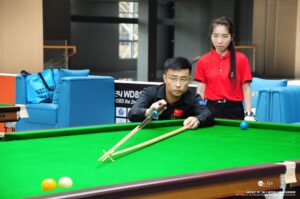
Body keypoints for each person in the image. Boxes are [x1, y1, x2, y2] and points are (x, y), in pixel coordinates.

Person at [194, 16, 256, 121]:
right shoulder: (203, 60)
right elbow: (200, 91)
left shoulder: (241, 59)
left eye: (224, 36)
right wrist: (199, 111)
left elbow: (246, 88)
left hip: (234, 110)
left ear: (232, 37)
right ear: (210, 36)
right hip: (210, 110)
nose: (219, 41)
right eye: (215, 36)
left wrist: (249, 113)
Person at [128, 57, 214, 129]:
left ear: (189, 80)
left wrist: (197, 119)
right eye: (173, 78)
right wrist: (148, 112)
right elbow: (132, 113)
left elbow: (207, 113)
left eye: (183, 79)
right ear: (165, 78)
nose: (178, 84)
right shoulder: (149, 92)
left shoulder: (194, 98)